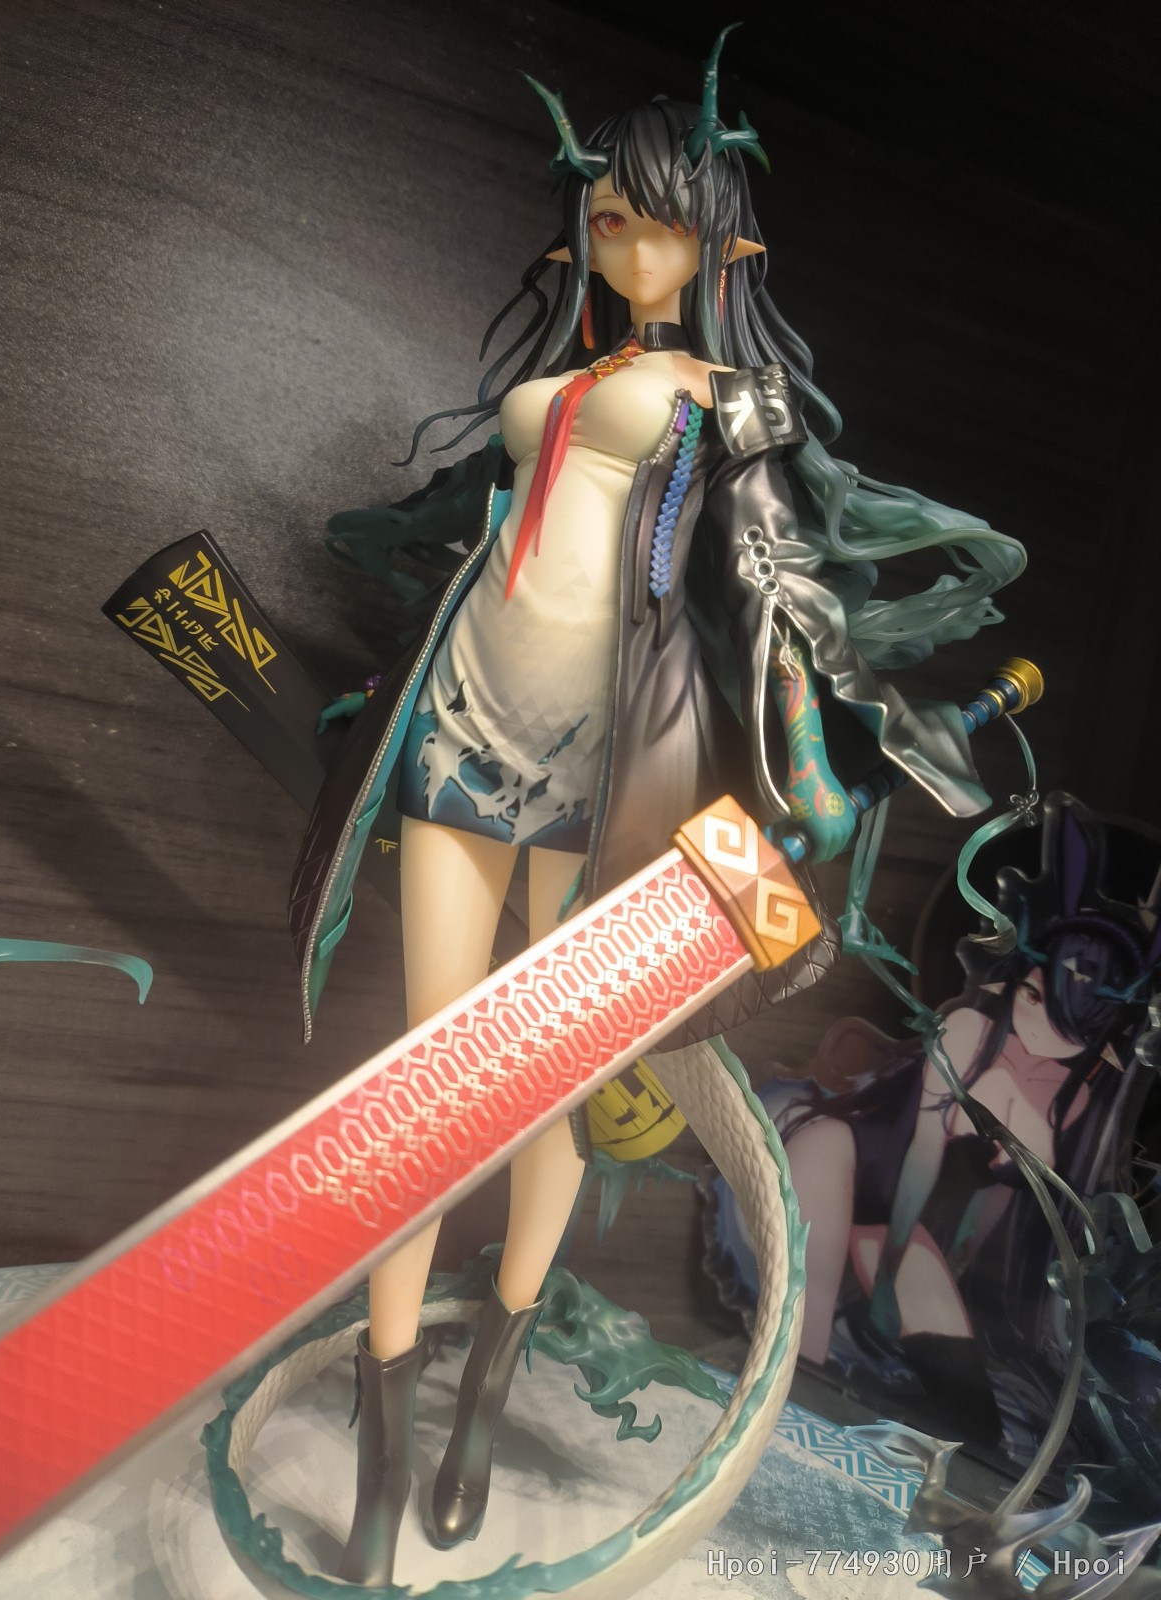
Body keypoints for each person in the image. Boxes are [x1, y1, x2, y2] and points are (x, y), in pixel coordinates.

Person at [287, 32, 1025, 1585]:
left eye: (658, 223)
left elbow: (778, 590)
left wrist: (855, 738)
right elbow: (485, 530)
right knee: (425, 1083)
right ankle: (387, 1424)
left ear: (719, 240)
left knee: (543, 1088)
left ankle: (482, 1395)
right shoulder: (556, 383)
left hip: (601, 768)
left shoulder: (730, 400)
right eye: (608, 218)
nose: (627, 248)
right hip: (459, 729)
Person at [769, 793, 1161, 1449]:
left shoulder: (1075, 1101)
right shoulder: (969, 1032)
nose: (1035, 1017)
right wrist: (892, 1272)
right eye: (1032, 991)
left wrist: (951, 1273)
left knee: (972, 1417)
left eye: (1067, 1019)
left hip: (935, 1244)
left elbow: (1017, 1213)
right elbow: (920, 1158)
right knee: (797, 1362)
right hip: (866, 1185)